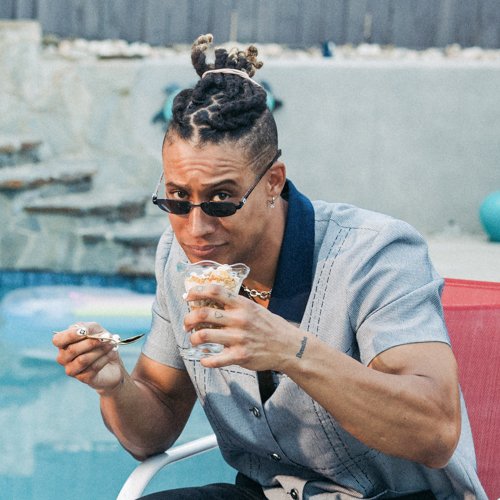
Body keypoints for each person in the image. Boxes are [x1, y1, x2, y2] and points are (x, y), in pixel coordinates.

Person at [53, 34, 486, 499]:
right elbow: (151, 430)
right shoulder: (178, 259)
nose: (195, 228)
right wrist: (115, 386)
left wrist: (290, 350)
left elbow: (435, 433)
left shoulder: (375, 254)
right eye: (177, 198)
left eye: (221, 198)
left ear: (272, 182)